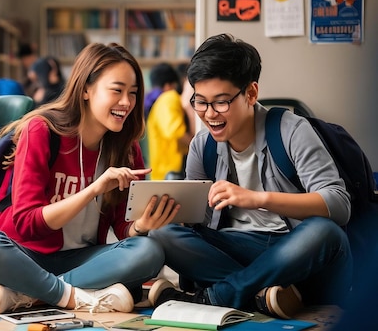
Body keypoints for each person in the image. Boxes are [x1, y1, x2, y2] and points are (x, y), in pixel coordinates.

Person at [148, 33, 352, 319]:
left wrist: (258, 199)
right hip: (239, 249)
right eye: (200, 102)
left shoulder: (292, 130)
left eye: (220, 102)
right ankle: (263, 295)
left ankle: (219, 296)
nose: (209, 115)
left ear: (251, 93)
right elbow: (197, 224)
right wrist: (168, 213)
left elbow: (339, 204)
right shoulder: (202, 145)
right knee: (162, 234)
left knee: (324, 231)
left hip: (296, 251)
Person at [0, 42, 176, 315]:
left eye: (133, 93)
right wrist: (92, 189)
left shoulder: (126, 147)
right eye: (117, 90)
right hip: (23, 257)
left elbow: (124, 228)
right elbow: (28, 224)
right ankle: (84, 297)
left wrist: (142, 225)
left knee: (148, 250)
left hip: (80, 262)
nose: (127, 102)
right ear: (86, 89)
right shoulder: (41, 130)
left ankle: (31, 297)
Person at [145, 63, 190, 180]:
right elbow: (175, 132)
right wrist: (199, 149)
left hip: (161, 173)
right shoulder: (169, 98)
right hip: (172, 172)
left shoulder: (158, 102)